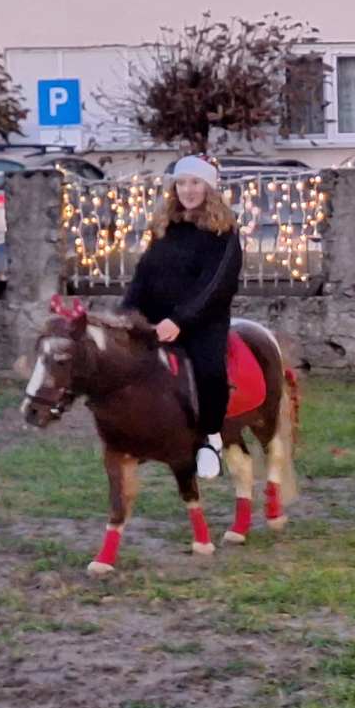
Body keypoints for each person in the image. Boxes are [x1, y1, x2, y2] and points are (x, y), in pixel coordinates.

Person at [121, 156, 242, 479]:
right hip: (156, 320)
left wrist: (180, 321)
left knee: (209, 372)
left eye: (196, 182)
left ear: (209, 188)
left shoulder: (224, 232)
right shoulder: (166, 227)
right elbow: (143, 275)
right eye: (182, 183)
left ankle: (210, 439)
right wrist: (127, 314)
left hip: (202, 322)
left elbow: (216, 285)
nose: (188, 190)